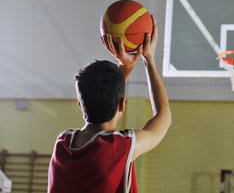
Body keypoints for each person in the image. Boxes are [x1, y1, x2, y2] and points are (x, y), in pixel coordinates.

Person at [48, 16, 171, 193]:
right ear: (122, 104)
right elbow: (164, 118)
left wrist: (125, 67)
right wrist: (148, 59)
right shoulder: (119, 148)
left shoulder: (62, 144)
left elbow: (112, 99)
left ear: (80, 105)